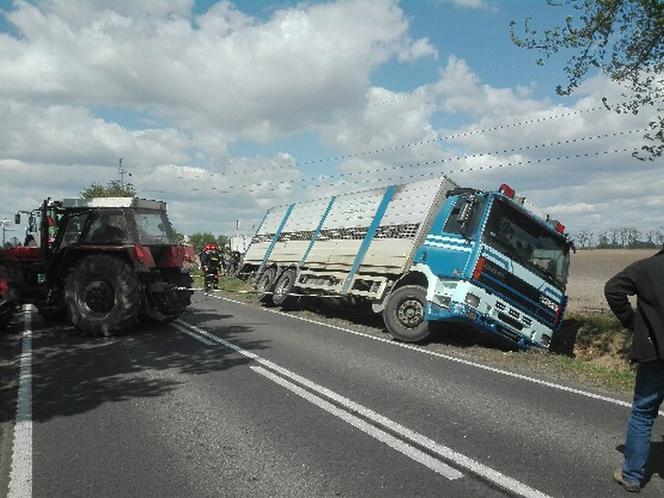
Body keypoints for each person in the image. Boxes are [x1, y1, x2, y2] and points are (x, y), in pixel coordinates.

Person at [605, 246, 664, 493]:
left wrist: (633, 322)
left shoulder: (647, 268)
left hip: (655, 356)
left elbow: (613, 288)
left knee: (643, 413)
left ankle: (631, 475)